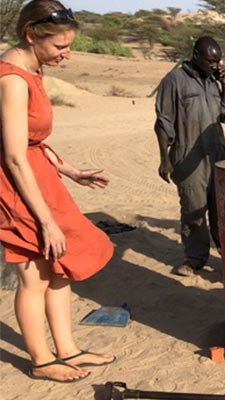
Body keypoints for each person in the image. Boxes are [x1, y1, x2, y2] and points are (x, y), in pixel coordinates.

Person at [0, 0, 115, 383]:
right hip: (15, 185)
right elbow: (14, 156)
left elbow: (31, 141)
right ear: (31, 36)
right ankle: (41, 359)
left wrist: (69, 170)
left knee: (62, 264)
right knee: (35, 275)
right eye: (59, 47)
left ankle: (67, 349)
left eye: (68, 45)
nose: (66, 54)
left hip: (40, 175)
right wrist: (45, 221)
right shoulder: (12, 79)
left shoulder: (34, 67)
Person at [154, 36, 225, 277]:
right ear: (195, 55)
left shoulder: (213, 81)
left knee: (222, 208)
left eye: (218, 61)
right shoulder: (174, 81)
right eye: (210, 61)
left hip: (217, 155)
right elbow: (162, 123)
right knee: (193, 209)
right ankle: (195, 258)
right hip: (188, 156)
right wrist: (164, 158)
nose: (215, 65)